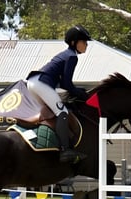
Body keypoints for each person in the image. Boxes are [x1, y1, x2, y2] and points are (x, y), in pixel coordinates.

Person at [27, 25, 91, 163]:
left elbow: (64, 84)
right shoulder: (72, 57)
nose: (86, 44)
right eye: (84, 41)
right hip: (41, 84)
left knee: (50, 113)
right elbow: (67, 85)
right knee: (62, 113)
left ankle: (48, 143)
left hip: (34, 83)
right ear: (74, 42)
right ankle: (64, 150)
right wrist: (82, 95)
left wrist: (78, 90)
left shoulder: (66, 54)